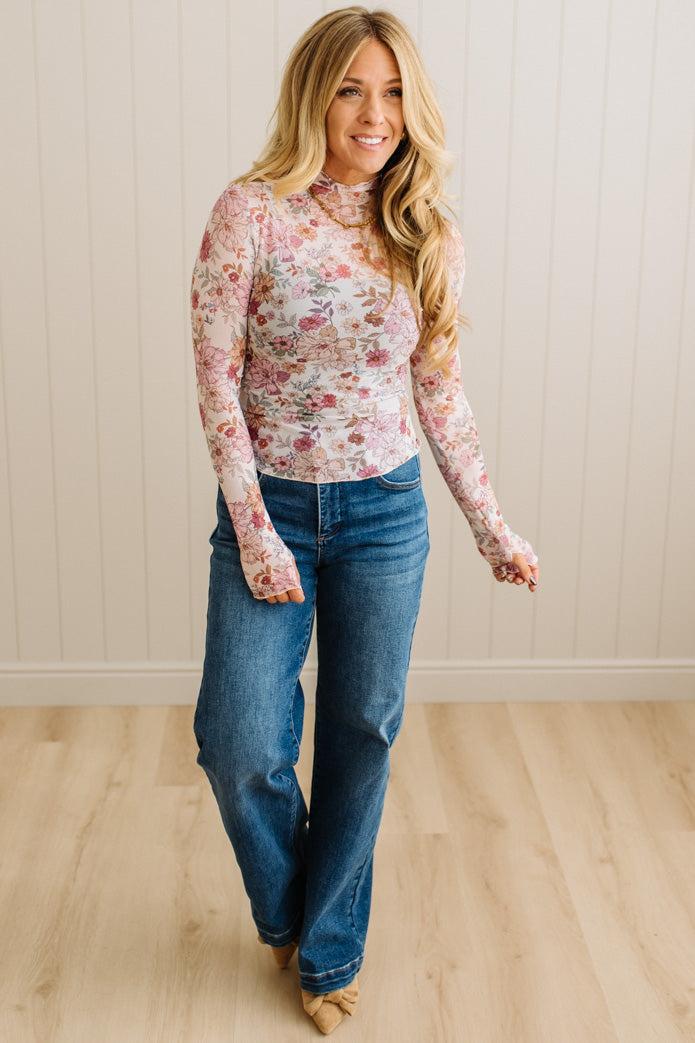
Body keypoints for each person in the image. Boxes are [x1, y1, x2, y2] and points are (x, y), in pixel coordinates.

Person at [190, 6, 539, 1035]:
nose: (372, 113)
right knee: (237, 738)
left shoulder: (425, 226)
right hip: (272, 509)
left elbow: (439, 394)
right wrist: (253, 527)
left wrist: (490, 525)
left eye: (390, 91)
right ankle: (289, 907)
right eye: (349, 88)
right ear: (313, 97)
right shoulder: (248, 212)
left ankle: (327, 949)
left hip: (385, 513)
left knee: (361, 731)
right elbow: (216, 381)